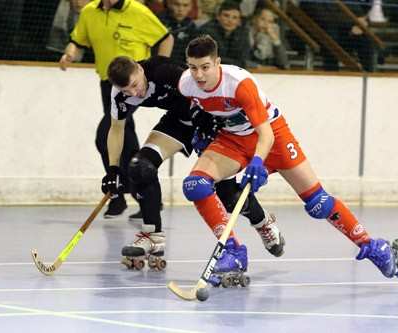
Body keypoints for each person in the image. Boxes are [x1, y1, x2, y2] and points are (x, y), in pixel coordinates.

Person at [178, 35, 398, 282]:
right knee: (195, 185)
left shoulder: (239, 84)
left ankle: (373, 247)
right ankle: (234, 252)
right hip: (233, 139)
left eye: (205, 67)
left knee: (318, 203)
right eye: (193, 67)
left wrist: (257, 162)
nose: (199, 75)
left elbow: (265, 133)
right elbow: (197, 108)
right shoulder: (187, 84)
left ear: (217, 62)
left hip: (273, 135)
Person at [104, 55, 285, 269]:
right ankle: (153, 235)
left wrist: (210, 124)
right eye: (127, 91)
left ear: (140, 70)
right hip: (179, 122)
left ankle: (263, 222)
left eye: (135, 85)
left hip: (210, 119)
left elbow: (204, 87)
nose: (134, 94)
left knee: (226, 194)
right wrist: (113, 170)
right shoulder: (120, 96)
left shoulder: (165, 71)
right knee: (140, 167)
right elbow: (116, 129)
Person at [59, 0, 174, 219]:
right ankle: (140, 198)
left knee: (106, 136)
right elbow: (77, 40)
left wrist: (160, 67)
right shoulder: (90, 12)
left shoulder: (137, 11)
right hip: (108, 84)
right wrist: (69, 55)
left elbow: (166, 38)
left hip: (135, 85)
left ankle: (119, 193)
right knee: (127, 141)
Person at [198, 1, 250, 68]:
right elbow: (209, 58)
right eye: (226, 15)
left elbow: (243, 59)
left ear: (239, 21)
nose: (230, 20)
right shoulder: (206, 31)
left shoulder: (243, 33)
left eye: (235, 17)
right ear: (218, 17)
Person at [158, 0, 199, 65]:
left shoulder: (191, 25)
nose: (181, 9)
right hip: (160, 65)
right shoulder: (158, 22)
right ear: (169, 4)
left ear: (191, 7)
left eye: (185, 5)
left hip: (183, 67)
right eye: (177, 4)